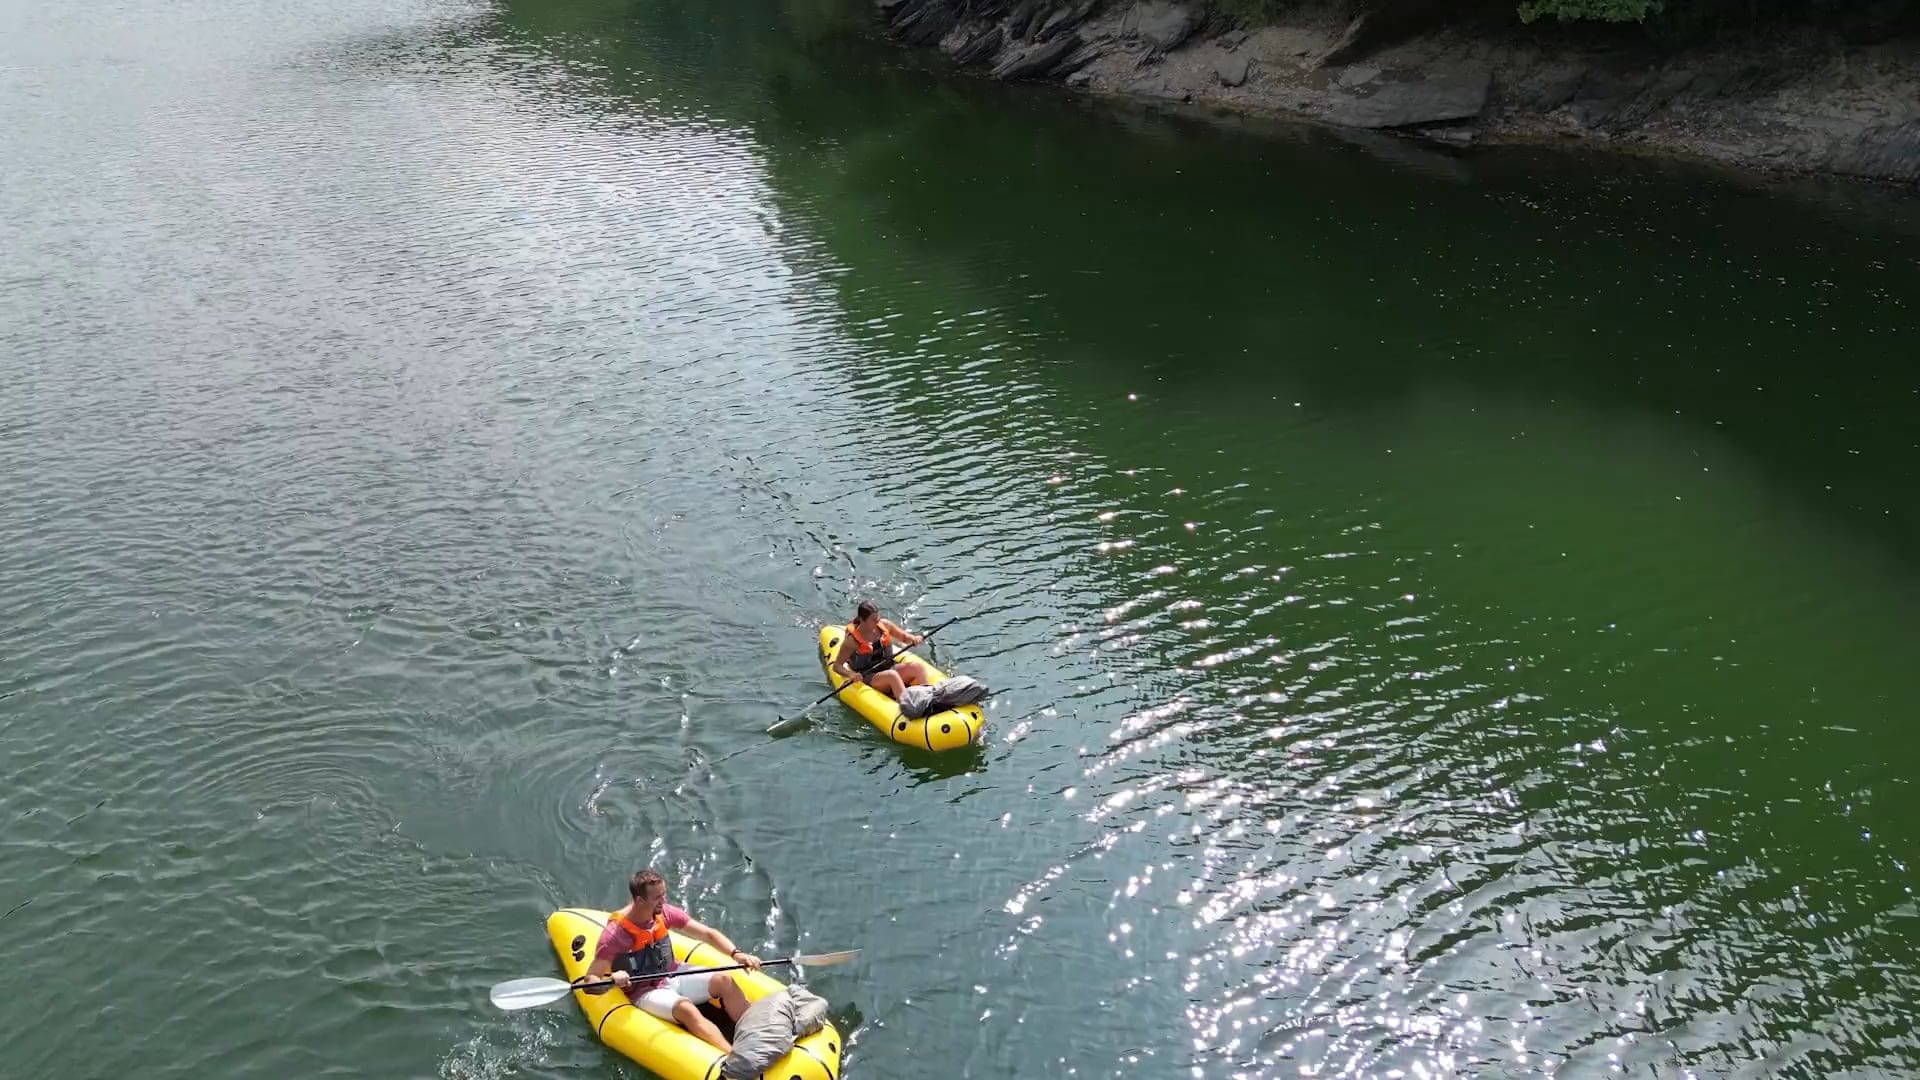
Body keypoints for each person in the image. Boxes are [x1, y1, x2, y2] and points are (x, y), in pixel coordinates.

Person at [575, 869, 763, 1053]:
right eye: (657, 897)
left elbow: (708, 934)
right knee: (686, 1009)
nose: (663, 901)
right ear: (640, 900)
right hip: (645, 991)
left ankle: (760, 1034)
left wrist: (737, 954)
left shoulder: (663, 913)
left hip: (674, 972)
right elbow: (590, 980)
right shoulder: (615, 936)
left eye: (663, 894)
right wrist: (613, 980)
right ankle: (733, 1058)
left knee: (725, 981)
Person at [831, 600, 928, 702]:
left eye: (878, 617)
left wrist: (914, 639)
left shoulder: (885, 625)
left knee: (916, 667)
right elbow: (837, 666)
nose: (877, 621)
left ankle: (928, 697)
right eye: (873, 619)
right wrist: (851, 675)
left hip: (889, 667)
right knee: (892, 675)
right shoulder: (851, 641)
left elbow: (904, 637)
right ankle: (909, 706)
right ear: (862, 620)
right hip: (869, 677)